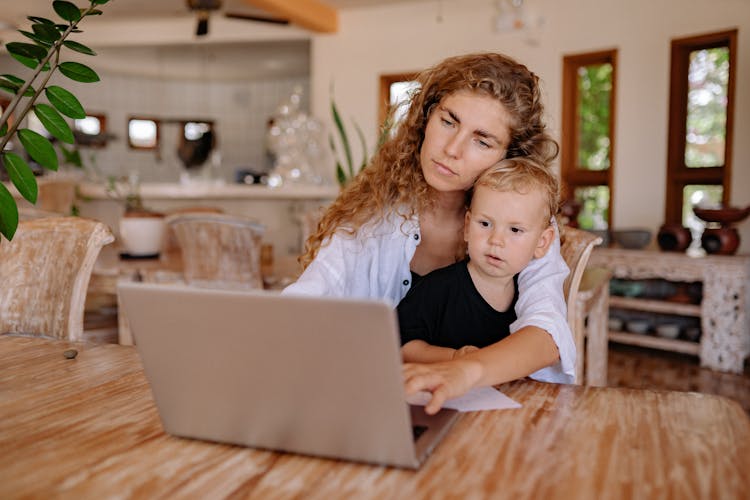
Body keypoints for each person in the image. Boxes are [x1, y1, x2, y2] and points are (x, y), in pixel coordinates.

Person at [283, 52, 575, 413]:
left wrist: (463, 371)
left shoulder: (520, 230)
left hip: (505, 413)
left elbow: (547, 334)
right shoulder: (370, 215)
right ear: (426, 117)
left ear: (509, 156)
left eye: (482, 141)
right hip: (382, 405)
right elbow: (311, 294)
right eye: (449, 121)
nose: (452, 149)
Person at [397, 157, 559, 365]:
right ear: (467, 226)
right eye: (485, 223)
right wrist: (454, 357)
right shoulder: (436, 290)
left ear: (542, 242)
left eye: (515, 230)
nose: (496, 240)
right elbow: (400, 345)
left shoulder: (528, 300)